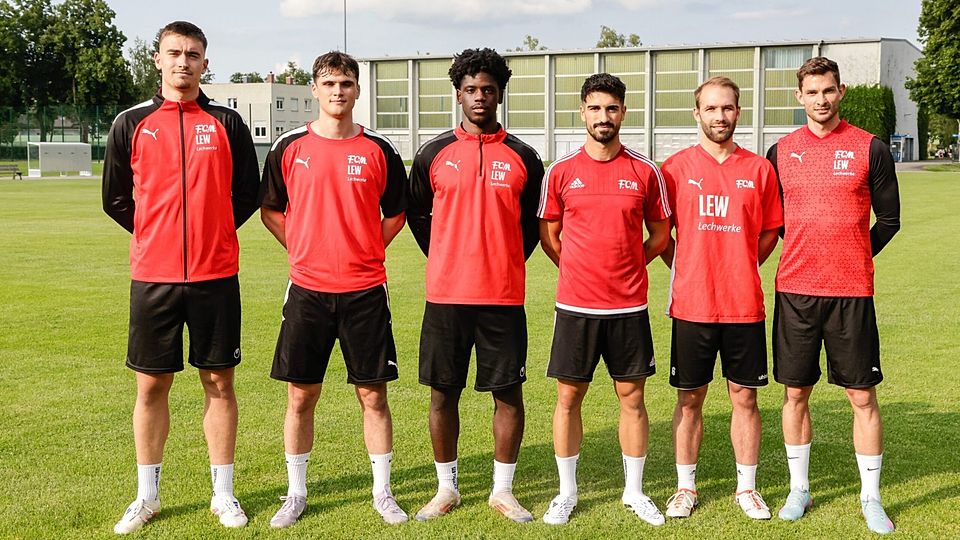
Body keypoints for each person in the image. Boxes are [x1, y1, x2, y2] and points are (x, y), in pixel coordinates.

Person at [102, 20, 261, 534]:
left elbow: (247, 195)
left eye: (193, 54)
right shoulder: (131, 122)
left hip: (216, 275)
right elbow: (116, 199)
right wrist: (158, 234)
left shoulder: (228, 122)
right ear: (157, 59)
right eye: (174, 53)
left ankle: (223, 494)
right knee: (152, 384)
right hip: (155, 276)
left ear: (205, 63)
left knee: (219, 381)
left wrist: (211, 232)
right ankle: (146, 496)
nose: (183, 62)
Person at [259, 51, 408, 528]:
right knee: (302, 396)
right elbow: (271, 211)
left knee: (374, 395)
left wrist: (364, 249)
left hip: (365, 290)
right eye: (329, 83)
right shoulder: (289, 146)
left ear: (358, 90)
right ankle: (295, 493)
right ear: (314, 90)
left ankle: (382, 492)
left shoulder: (380, 150)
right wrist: (304, 249)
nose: (338, 91)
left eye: (346, 83)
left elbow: (396, 214)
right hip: (307, 290)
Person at [406, 47, 544, 523]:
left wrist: (501, 260)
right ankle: (447, 489)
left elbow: (531, 227)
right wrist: (450, 255)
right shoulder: (432, 153)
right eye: (470, 90)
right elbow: (419, 218)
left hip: (503, 298)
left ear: (500, 92)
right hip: (445, 296)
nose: (479, 97)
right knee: (443, 393)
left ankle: (502, 491)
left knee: (507, 394)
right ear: (458, 94)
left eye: (488, 89)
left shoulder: (525, 156)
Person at [766, 57, 900, 535]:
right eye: (811, 92)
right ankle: (799, 488)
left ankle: (871, 497)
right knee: (795, 392)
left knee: (862, 395)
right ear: (799, 96)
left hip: (852, 293)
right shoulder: (779, 152)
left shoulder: (871, 148)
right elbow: (774, 222)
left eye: (828, 91)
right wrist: (808, 250)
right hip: (796, 292)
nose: (820, 100)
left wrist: (854, 254)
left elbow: (889, 220)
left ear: (841, 91)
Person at [537, 73, 671, 526]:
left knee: (632, 397)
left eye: (611, 108)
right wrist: (577, 268)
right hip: (575, 306)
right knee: (568, 397)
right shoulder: (561, 171)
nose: (603, 117)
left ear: (623, 113)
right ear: (582, 112)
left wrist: (632, 264)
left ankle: (634, 491)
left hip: (628, 307)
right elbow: (549, 235)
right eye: (595, 108)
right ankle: (566, 492)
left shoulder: (644, 172)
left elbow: (660, 234)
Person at [657, 77, 783, 520]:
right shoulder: (673, 169)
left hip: (742, 304)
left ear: (738, 112)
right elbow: (659, 233)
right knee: (689, 398)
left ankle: (746, 488)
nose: (719, 117)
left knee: (744, 397)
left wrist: (744, 261)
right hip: (691, 304)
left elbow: (770, 231)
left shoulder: (759, 170)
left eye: (727, 108)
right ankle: (685, 487)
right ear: (697, 114)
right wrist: (684, 263)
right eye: (710, 109)